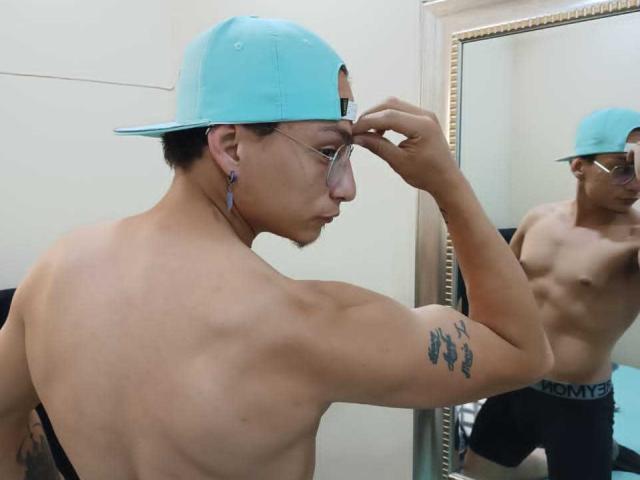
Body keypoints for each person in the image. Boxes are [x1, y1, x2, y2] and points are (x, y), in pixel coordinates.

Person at [0, 16, 552, 480]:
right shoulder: (305, 323)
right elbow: (523, 351)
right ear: (231, 146)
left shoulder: (54, 274)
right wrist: (446, 182)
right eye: (329, 151)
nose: (347, 188)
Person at [463, 108, 640, 480]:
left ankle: (607, 452)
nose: (635, 183)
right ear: (578, 167)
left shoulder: (633, 239)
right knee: (474, 473)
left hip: (580, 402)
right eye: (622, 168)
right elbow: (500, 290)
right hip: (515, 384)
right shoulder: (538, 219)